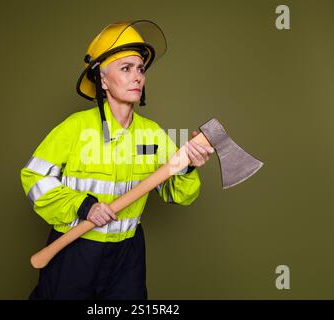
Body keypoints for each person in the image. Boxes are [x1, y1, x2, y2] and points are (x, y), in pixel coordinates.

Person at [20, 20, 214, 300]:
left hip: (127, 256)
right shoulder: (76, 127)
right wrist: (83, 206)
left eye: (140, 69)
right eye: (126, 68)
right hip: (76, 250)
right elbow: (33, 177)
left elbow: (178, 194)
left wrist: (189, 165)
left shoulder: (153, 134)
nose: (137, 77)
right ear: (102, 79)